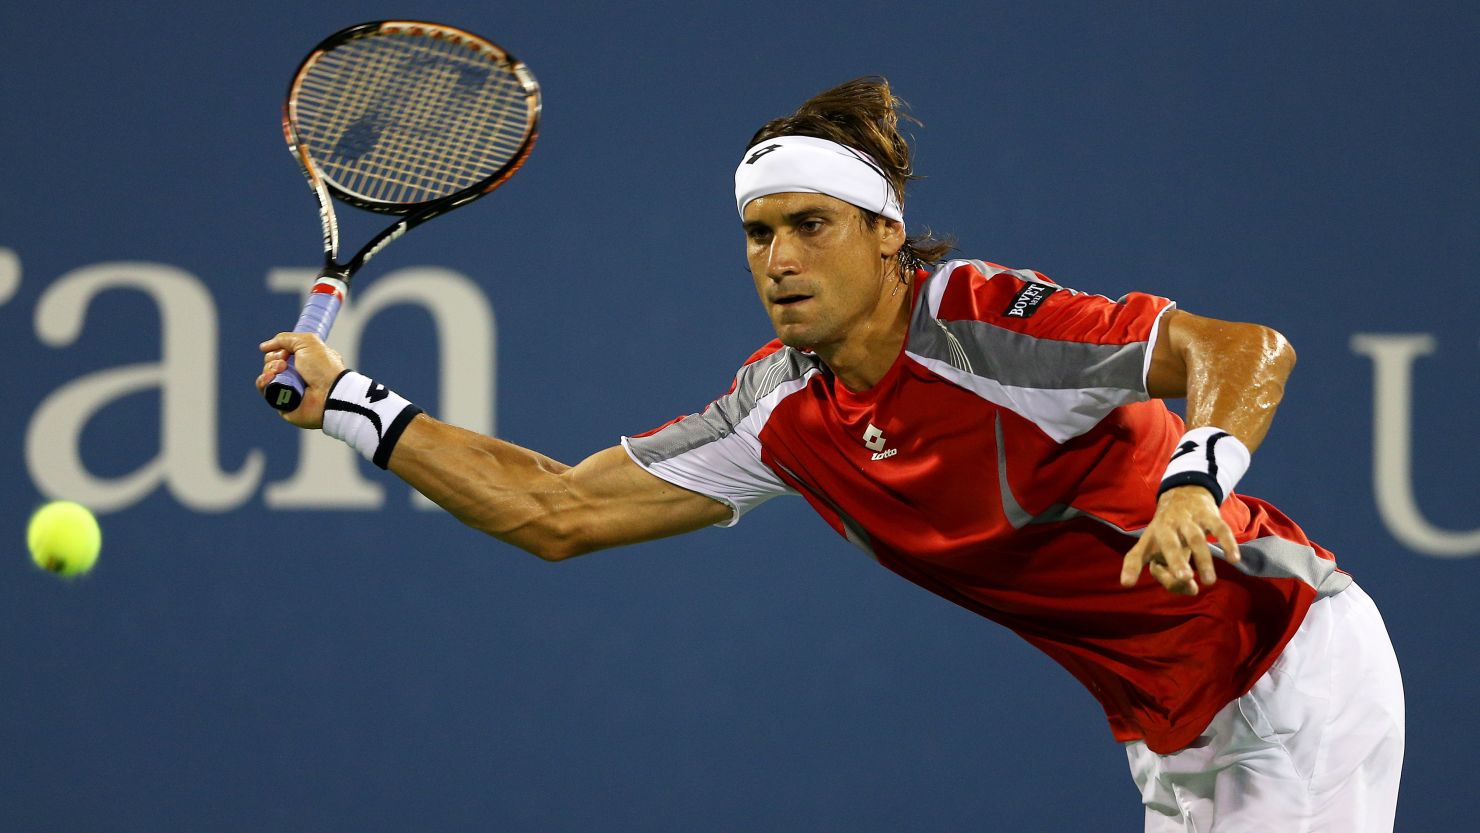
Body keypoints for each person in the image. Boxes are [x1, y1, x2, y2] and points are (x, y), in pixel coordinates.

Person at [257, 77, 1404, 831]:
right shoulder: (780, 413)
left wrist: (1194, 481)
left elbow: (1243, 349)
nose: (779, 256)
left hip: (1283, 661)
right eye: (759, 232)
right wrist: (357, 401)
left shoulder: (979, 320)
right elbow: (557, 509)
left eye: (812, 225)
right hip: (1174, 723)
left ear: (884, 234)